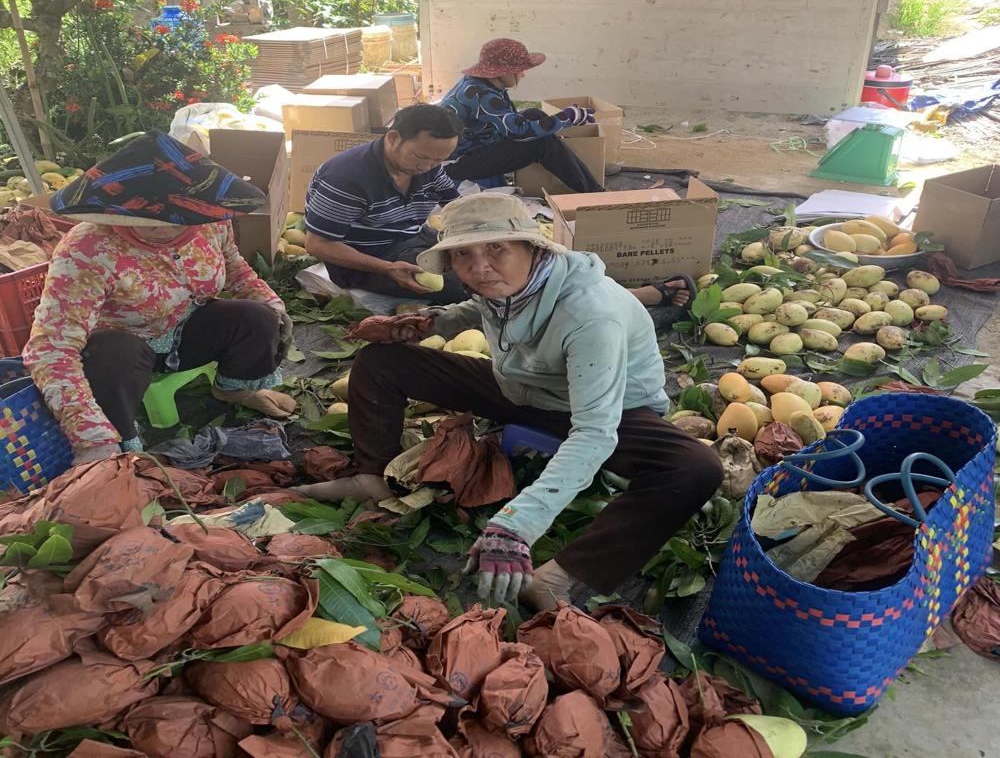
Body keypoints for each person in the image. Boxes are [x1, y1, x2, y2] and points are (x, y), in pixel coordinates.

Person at [295, 193, 723, 611]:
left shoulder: (592, 316)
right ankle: (373, 475)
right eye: (463, 255)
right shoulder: (508, 282)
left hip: (604, 408)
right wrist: (429, 323)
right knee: (381, 362)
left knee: (694, 469)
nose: (479, 267)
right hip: (520, 387)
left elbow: (594, 432)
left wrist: (517, 525)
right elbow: (481, 306)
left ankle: (561, 575)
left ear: (533, 249)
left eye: (496, 248)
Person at [24, 131, 296, 466]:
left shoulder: (210, 222)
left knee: (258, 318)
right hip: (124, 353)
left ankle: (233, 388)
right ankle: (118, 444)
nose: (163, 229)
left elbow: (235, 267)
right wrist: (89, 435)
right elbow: (50, 348)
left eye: (172, 222)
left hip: (187, 330)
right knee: (114, 353)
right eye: (145, 222)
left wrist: (272, 304)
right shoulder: (86, 251)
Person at [304, 104, 471, 304]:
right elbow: (317, 244)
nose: (427, 167)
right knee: (466, 283)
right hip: (368, 259)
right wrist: (386, 268)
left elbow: (455, 204)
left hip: (414, 237)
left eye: (439, 160)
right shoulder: (346, 178)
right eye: (420, 157)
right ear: (393, 139)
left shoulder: (428, 166)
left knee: (489, 266)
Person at [438, 38, 605, 193]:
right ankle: (595, 193)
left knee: (534, 114)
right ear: (502, 72)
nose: (522, 74)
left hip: (475, 144)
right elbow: (519, 132)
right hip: (456, 163)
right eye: (519, 70)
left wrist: (560, 121)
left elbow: (511, 121)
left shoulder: (481, 84)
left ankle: (571, 160)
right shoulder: (482, 95)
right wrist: (566, 117)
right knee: (541, 143)